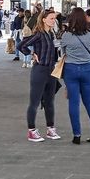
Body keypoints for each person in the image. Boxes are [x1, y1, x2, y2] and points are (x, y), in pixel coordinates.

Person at [60, 8, 90, 144]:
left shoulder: (66, 36)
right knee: (89, 101)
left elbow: (63, 51)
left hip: (71, 69)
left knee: (74, 103)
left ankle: (76, 135)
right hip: (88, 69)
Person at [20, 8, 61, 142]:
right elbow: (21, 45)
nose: (53, 20)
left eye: (54, 18)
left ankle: (50, 129)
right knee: (35, 102)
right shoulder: (39, 34)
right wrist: (31, 54)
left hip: (51, 71)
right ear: (44, 19)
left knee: (50, 102)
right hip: (40, 70)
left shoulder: (51, 34)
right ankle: (31, 130)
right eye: (51, 18)